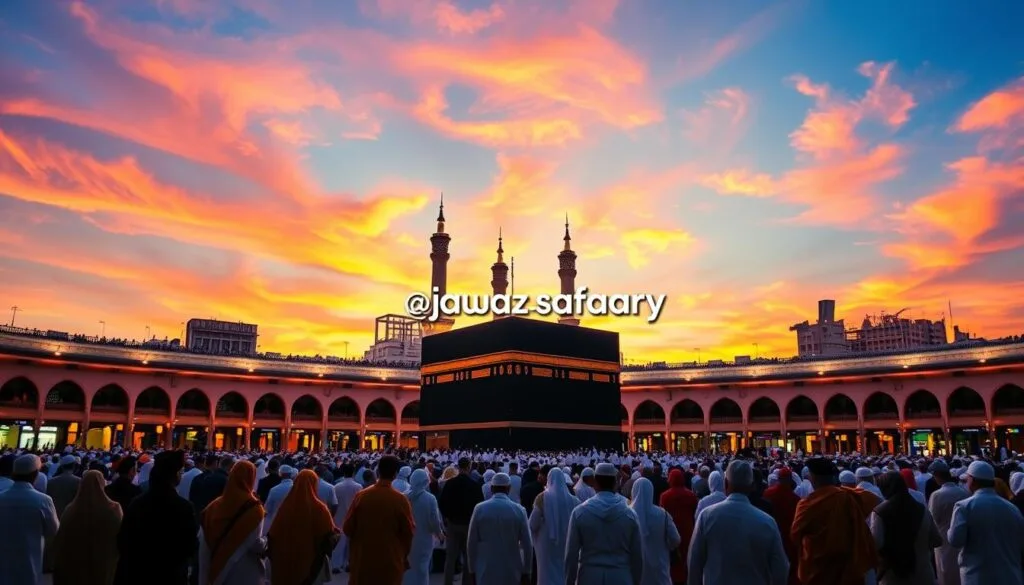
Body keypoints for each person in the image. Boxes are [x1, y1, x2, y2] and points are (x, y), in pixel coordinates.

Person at [688, 460, 789, 585]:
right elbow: (781, 569)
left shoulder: (707, 517)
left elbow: (694, 563)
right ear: (752, 486)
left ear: (726, 484)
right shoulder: (767, 522)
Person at [114, 450, 199, 585]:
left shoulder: (137, 503)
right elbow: (189, 546)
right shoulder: (184, 507)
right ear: (174, 476)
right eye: (179, 472)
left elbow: (123, 540)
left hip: (137, 573)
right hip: (170, 575)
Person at [790, 457, 877, 585]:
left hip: (817, 569)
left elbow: (795, 535)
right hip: (846, 566)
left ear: (813, 478)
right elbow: (874, 502)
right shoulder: (848, 496)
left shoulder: (807, 504)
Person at [564, 462, 643, 585]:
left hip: (589, 576)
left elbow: (571, 554)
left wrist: (569, 581)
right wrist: (636, 581)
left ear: (595, 483)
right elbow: (637, 555)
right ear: (615, 482)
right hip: (621, 576)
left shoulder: (580, 512)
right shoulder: (629, 514)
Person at [947, 460, 1024, 585]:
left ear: (972, 480)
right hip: (1010, 576)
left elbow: (955, 540)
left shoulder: (964, 507)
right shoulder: (1012, 508)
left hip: (977, 576)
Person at [343, 455, 415, 585]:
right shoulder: (400, 500)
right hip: (390, 561)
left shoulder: (362, 496)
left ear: (378, 472)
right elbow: (408, 533)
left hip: (363, 560)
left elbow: (347, 528)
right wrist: (403, 556)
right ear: (395, 474)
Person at [198, 460, 267, 585]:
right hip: (241, 569)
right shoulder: (255, 509)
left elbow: (203, 533)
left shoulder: (214, 505)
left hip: (214, 563)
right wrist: (265, 543)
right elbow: (255, 543)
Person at [268, 470, 340, 585]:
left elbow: (273, 534)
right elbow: (328, 536)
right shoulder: (320, 509)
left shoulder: (286, 507)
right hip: (311, 564)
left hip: (285, 561)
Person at [869, 471, 942, 585]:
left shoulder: (879, 512)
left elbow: (875, 545)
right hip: (923, 573)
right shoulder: (922, 509)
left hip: (894, 576)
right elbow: (936, 540)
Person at [50, 469, 122, 585]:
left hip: (76, 564)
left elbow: (61, 538)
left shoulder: (71, 509)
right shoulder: (113, 509)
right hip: (103, 563)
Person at [0, 454, 60, 585]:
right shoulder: (43, 500)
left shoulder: (2, 497)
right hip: (30, 560)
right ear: (35, 474)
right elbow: (54, 531)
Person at [466, 472, 533, 585]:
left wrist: (471, 570)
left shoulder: (480, 509)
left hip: (485, 569)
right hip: (512, 569)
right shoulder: (519, 510)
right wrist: (527, 571)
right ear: (509, 488)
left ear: (491, 488)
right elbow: (527, 544)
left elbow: (471, 542)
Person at [528, 468, 579, 585]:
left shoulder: (542, 498)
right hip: (567, 541)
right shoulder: (574, 500)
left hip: (546, 544)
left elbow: (533, 523)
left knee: (547, 574)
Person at [437, 456, 484, 585]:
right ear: (469, 467)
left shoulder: (450, 483)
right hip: (468, 524)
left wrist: (447, 517)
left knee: (450, 557)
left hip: (453, 524)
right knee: (468, 557)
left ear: (458, 467)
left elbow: (442, 503)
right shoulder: (474, 485)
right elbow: (479, 506)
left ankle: (447, 582)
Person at [631, 477, 681, 585]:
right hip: (659, 569)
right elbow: (675, 539)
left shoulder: (627, 515)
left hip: (633, 572)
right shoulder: (662, 514)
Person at [927, 459, 969, 585]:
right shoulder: (963, 492)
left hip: (943, 537)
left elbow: (932, 519)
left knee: (945, 572)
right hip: (962, 536)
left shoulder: (937, 495)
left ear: (937, 476)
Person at [403, 468, 443, 585]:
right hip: (424, 538)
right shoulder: (430, 498)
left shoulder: (404, 497)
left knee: (408, 568)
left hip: (407, 538)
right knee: (422, 568)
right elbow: (434, 520)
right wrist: (439, 533)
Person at [762, 467, 801, 585]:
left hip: (769, 535)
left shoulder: (767, 493)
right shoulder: (795, 498)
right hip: (788, 538)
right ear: (789, 479)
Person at [660, 468, 699, 585]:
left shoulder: (665, 496)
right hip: (688, 529)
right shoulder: (691, 495)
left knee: (674, 557)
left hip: (671, 530)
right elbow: (695, 512)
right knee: (687, 555)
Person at [332, 463, 363, 574]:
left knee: (339, 541)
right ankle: (348, 563)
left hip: (339, 515)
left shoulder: (337, 486)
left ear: (344, 473)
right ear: (353, 473)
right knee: (351, 541)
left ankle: (336, 564)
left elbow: (334, 503)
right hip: (353, 515)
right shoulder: (358, 487)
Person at [264, 465, 296, 534]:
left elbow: (267, 509)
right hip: (292, 524)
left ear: (280, 474)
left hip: (275, 523)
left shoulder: (274, 490)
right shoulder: (296, 489)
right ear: (291, 475)